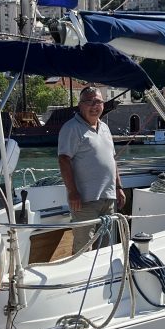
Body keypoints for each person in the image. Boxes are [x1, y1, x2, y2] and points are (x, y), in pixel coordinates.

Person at [58, 86, 126, 253]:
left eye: (98, 102)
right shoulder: (71, 128)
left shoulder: (105, 128)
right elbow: (63, 160)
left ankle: (102, 279)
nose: (94, 106)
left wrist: (118, 187)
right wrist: (72, 192)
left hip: (108, 198)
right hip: (84, 201)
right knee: (84, 247)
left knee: (106, 246)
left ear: (103, 105)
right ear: (80, 105)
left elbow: (112, 159)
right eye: (89, 102)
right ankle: (80, 277)